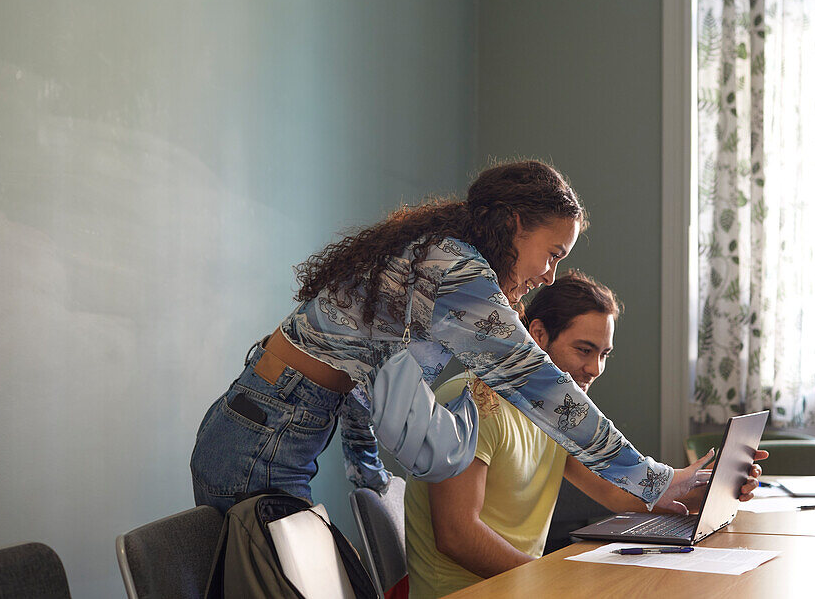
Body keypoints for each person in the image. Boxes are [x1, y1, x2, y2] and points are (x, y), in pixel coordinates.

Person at [190, 160, 728, 516]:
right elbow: (538, 382)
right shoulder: (455, 269)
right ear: (516, 223)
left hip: (268, 421)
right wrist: (654, 477)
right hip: (263, 438)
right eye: (553, 254)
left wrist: (371, 477)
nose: (549, 275)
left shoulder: (440, 251)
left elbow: (357, 372)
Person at [403, 272, 766, 598]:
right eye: (584, 350)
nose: (594, 369)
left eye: (604, 354)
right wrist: (549, 582)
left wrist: (716, 488)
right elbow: (457, 534)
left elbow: (615, 493)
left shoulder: (556, 412)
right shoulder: (468, 402)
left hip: (522, 586)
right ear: (538, 334)